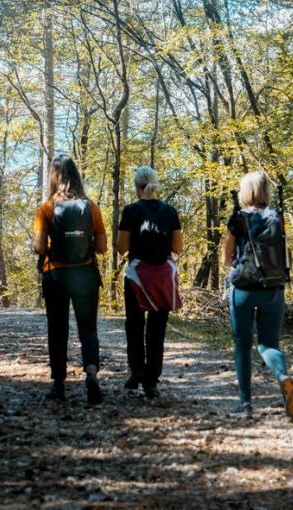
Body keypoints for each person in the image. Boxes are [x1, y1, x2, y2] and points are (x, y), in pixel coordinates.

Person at [222, 171, 293, 419]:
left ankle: (245, 402)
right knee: (269, 344)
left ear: (245, 192)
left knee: (243, 346)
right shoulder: (277, 217)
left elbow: (227, 254)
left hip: (244, 289)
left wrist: (231, 262)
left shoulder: (239, 218)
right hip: (273, 289)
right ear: (265, 191)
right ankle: (284, 377)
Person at [33, 155, 108, 404]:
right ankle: (91, 372)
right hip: (85, 274)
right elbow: (102, 247)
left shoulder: (46, 208)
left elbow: (39, 246)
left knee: (57, 329)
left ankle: (58, 384)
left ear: (53, 177)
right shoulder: (91, 206)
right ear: (76, 175)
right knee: (88, 328)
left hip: (56, 275)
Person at [117, 166, 184, 400]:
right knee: (157, 327)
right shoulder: (170, 211)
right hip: (162, 277)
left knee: (134, 323)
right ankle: (152, 380)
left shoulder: (131, 211)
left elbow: (122, 248)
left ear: (136, 186)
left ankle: (136, 370)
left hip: (137, 276)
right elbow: (177, 248)